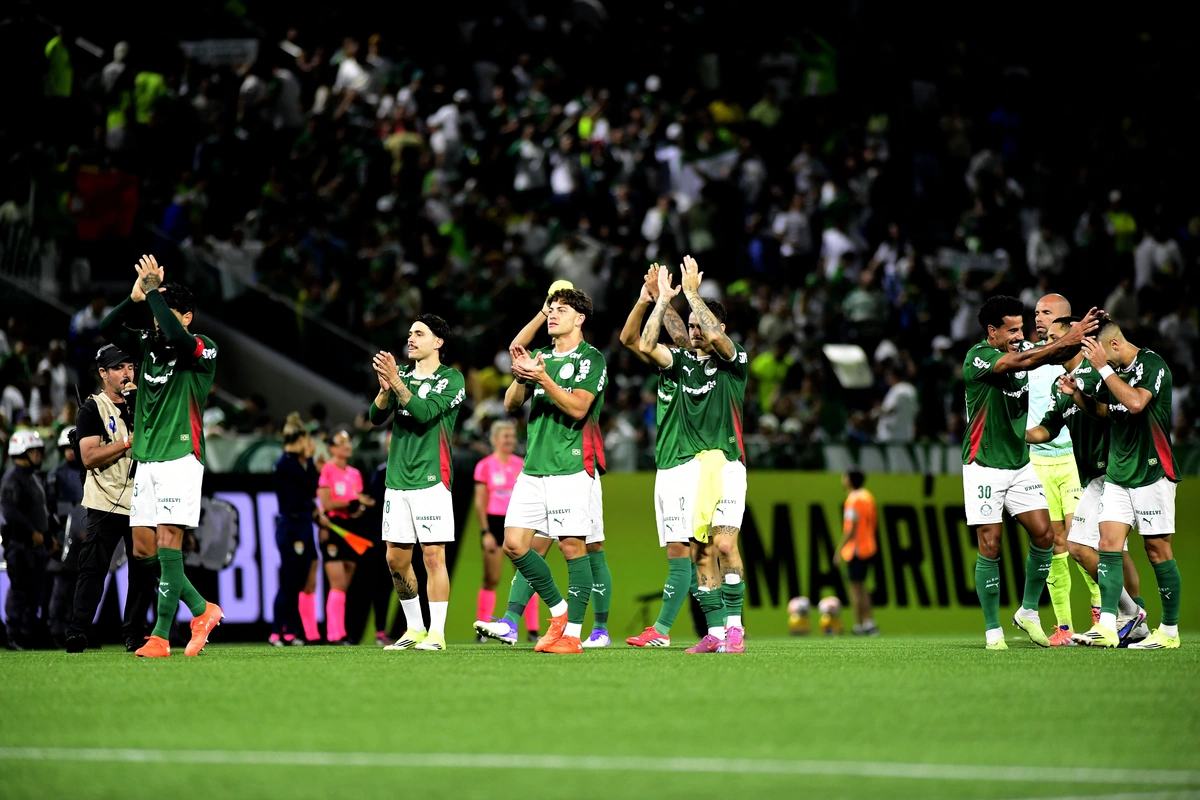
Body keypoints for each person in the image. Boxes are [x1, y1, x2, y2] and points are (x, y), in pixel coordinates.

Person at [475, 283, 614, 648]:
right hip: (534, 468)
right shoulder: (540, 356)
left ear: (579, 319)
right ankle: (559, 610)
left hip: (571, 466)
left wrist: (542, 378)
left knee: (572, 547)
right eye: (550, 309)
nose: (552, 314)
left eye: (561, 310)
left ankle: (571, 636)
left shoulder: (591, 358)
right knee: (514, 545)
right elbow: (510, 404)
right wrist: (522, 377)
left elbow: (579, 407)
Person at [98, 254, 223, 658]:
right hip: (147, 458)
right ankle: (203, 610)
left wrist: (154, 293)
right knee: (142, 550)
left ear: (186, 316)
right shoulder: (148, 346)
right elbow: (106, 328)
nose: (156, 318)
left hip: (180, 456)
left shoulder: (201, 349)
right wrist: (136, 297)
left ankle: (162, 636)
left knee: (170, 543)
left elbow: (174, 333)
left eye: (164, 311)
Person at [961, 295, 1100, 649]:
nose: (1019, 335)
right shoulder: (978, 357)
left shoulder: (1022, 348)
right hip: (984, 464)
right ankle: (993, 630)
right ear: (992, 332)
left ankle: (1028, 611)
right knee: (990, 544)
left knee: (1044, 536)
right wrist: (1066, 340)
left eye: (1021, 327)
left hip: (1020, 463)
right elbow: (1025, 359)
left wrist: (1076, 337)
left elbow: (1047, 354)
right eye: (1011, 330)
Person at [637, 256, 750, 654]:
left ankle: (735, 628)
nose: (696, 331)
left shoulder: (735, 362)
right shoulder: (682, 363)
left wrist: (691, 293)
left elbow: (718, 340)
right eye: (692, 326)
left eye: (703, 325)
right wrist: (661, 301)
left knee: (724, 546)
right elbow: (646, 344)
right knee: (700, 550)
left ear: (719, 328)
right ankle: (715, 633)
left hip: (730, 464)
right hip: (696, 467)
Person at [1025, 317, 1148, 646]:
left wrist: (1079, 393)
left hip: (1118, 471)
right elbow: (1048, 428)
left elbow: (1111, 412)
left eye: (1055, 338)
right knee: (1082, 548)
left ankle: (1124, 619)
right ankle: (1132, 615)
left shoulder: (1098, 373)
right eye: (1046, 339)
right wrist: (1014, 436)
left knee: (1113, 549)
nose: (1050, 345)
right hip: (1093, 476)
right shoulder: (1061, 383)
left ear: (1073, 338)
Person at [1063, 321, 1182, 649]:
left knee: (1157, 550)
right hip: (1117, 474)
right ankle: (1107, 626)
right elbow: (1102, 411)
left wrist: (1102, 369)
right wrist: (1076, 394)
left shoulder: (1151, 365)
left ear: (1113, 346)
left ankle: (1169, 631)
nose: (1094, 363)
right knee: (1107, 544)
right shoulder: (1109, 370)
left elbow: (1134, 403)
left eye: (1098, 355)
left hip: (1151, 472)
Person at [369, 314, 465, 652]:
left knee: (433, 556)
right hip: (397, 479)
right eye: (410, 333)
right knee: (395, 558)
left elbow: (424, 413)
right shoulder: (403, 377)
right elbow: (375, 416)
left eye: (419, 334)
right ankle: (414, 628)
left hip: (431, 478)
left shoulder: (451, 379)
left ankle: (437, 633)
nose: (411, 339)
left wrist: (395, 383)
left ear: (437, 342)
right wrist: (385, 391)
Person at [623, 264, 704, 648]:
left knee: (686, 548)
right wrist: (650, 298)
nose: (687, 332)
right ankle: (709, 629)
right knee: (682, 549)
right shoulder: (670, 367)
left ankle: (667, 630)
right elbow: (629, 338)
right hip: (667, 465)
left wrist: (666, 300)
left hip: (688, 464)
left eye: (693, 328)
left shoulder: (696, 365)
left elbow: (645, 342)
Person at [64, 344, 158, 653]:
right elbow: (89, 456)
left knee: (143, 571)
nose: (127, 373)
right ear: (103, 373)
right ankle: (78, 631)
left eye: (130, 366)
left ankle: (134, 632)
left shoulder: (145, 403)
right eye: (118, 368)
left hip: (142, 498)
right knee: (94, 568)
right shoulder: (93, 408)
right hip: (105, 500)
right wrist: (128, 442)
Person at [1026, 294, 1088, 646]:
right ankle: (1064, 626)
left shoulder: (1079, 359)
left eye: (1046, 313)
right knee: (1055, 544)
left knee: (1083, 541)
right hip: (1038, 461)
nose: (1039, 318)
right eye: (1036, 312)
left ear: (1065, 319)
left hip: (1074, 459)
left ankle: (1101, 614)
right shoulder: (1029, 358)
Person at [472, 420, 539, 643]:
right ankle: (481, 630)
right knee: (491, 578)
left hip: (518, 523)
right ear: (494, 440)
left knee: (526, 576)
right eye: (505, 436)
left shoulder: (522, 464)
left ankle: (532, 629)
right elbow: (481, 502)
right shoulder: (484, 466)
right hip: (494, 522)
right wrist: (485, 532)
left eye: (512, 436)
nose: (510, 440)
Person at [317, 430, 373, 645]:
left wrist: (359, 507)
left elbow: (357, 503)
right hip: (334, 527)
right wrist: (353, 502)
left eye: (348, 442)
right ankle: (334, 634)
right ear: (332, 448)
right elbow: (328, 503)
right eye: (341, 443)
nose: (347, 446)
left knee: (346, 581)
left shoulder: (355, 473)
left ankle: (340, 632)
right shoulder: (328, 471)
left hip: (352, 527)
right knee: (337, 582)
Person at [271, 412, 321, 646]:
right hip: (292, 526)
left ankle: (289, 631)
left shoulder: (291, 464)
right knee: (290, 581)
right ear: (301, 439)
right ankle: (276, 632)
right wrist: (310, 462)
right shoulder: (287, 464)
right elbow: (309, 489)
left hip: (300, 524)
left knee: (298, 581)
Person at [2, 431, 50, 649]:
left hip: (35, 546)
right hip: (19, 545)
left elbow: (40, 511)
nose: (38, 455)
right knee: (20, 589)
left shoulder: (32, 477)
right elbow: (11, 513)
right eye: (34, 451)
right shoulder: (12, 479)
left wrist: (47, 537)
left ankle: (28, 634)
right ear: (20, 453)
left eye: (39, 451)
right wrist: (31, 533)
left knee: (35, 592)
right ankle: (13, 634)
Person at [46, 426, 86, 647]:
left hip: (84, 539)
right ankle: (55, 631)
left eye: (73, 448)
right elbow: (50, 510)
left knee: (79, 588)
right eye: (66, 448)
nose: (70, 452)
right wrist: (55, 535)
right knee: (61, 587)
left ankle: (74, 631)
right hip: (63, 540)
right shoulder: (55, 476)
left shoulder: (89, 471)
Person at [834, 469, 878, 635]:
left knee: (855, 588)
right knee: (862, 587)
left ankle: (859, 625)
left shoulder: (853, 500)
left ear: (850, 481)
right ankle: (869, 623)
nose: (843, 480)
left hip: (856, 549)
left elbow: (851, 528)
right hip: (868, 546)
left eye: (845, 477)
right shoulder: (868, 497)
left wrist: (839, 550)